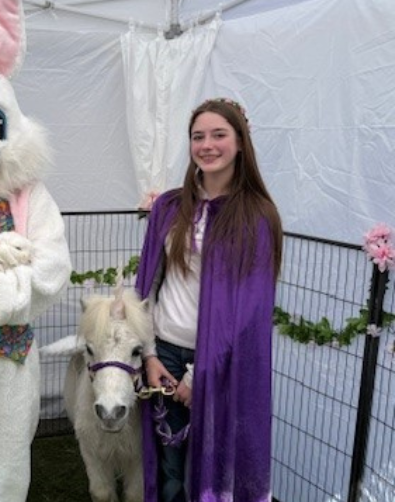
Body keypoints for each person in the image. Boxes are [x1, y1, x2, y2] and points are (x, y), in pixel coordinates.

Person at [135, 98, 283, 502]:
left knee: (213, 470)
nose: (207, 145)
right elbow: (147, 286)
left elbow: (249, 314)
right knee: (170, 471)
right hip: (163, 352)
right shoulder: (168, 207)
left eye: (219, 134)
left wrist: (197, 375)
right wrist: (148, 355)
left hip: (222, 366)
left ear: (240, 142)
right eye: (198, 136)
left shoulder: (256, 217)